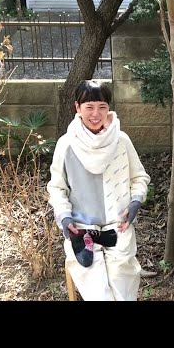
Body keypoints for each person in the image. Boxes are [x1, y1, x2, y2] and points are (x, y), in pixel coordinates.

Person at [47, 80, 150, 301]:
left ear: (108, 108)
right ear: (77, 107)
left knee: (124, 293)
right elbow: (57, 187)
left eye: (102, 107)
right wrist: (64, 217)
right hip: (82, 230)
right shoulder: (67, 144)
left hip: (118, 226)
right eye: (89, 107)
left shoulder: (121, 141)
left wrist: (135, 202)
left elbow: (139, 177)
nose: (96, 114)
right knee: (98, 295)